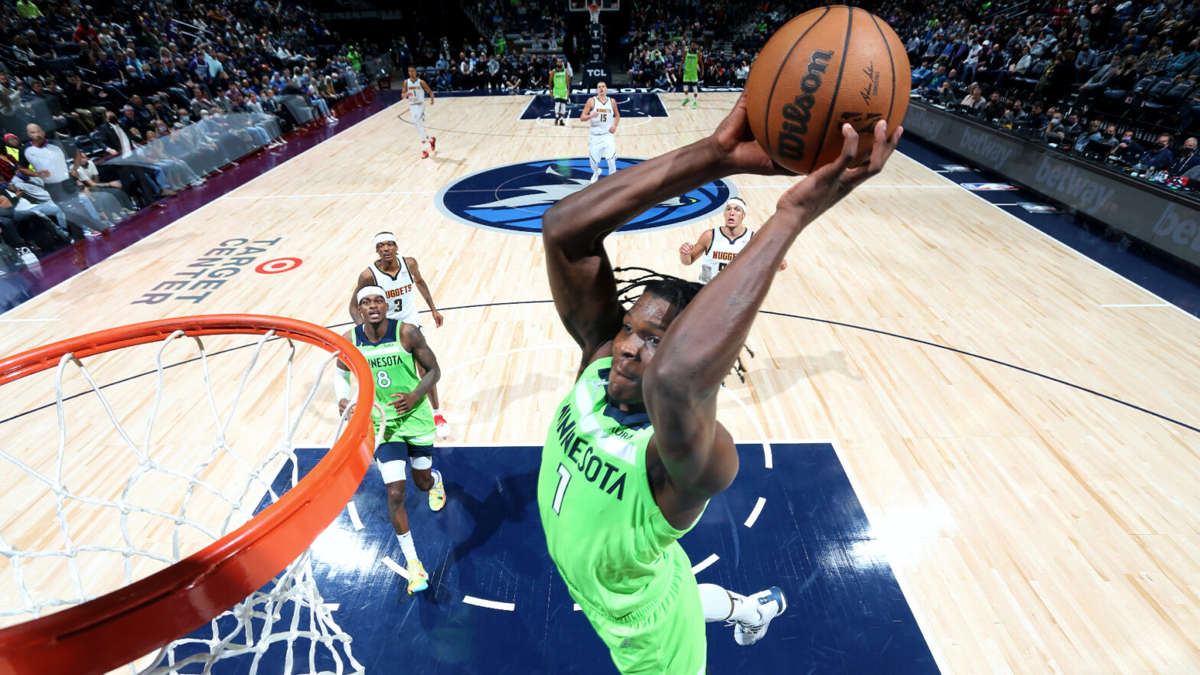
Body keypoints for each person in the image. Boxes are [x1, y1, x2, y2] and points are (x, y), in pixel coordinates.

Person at [537, 94, 901, 673]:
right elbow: (563, 231)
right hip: (632, 579)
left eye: (653, 341)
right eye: (630, 329)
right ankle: (748, 608)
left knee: (672, 594)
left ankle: (745, 610)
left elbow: (677, 381)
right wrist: (715, 155)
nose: (627, 347)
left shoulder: (686, 459)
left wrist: (792, 215)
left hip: (649, 638)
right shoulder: (601, 362)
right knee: (673, 579)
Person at [336, 286, 447, 594]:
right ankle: (414, 565)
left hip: (416, 418)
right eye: (366, 302)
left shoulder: (407, 333)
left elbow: (434, 371)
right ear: (359, 310)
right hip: (383, 423)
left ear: (386, 306)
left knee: (421, 482)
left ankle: (435, 480)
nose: (372, 306)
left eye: (377, 301)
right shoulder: (350, 340)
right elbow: (340, 372)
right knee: (395, 492)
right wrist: (342, 398)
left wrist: (415, 395)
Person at [349, 232, 451, 439]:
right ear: (376, 250)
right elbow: (353, 307)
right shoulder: (368, 276)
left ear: (396, 246)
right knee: (387, 372)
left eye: (389, 244)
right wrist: (364, 330)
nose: (386, 249)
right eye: (381, 246)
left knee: (425, 368)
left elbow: (420, 282)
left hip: (409, 324)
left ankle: (437, 415)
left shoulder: (409, 264)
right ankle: (382, 414)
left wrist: (433, 309)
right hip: (385, 328)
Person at [580, 81, 619, 184]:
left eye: (603, 87)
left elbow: (617, 116)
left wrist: (614, 125)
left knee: (611, 159)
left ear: (606, 89)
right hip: (595, 136)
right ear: (597, 89)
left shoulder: (612, 101)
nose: (601, 89)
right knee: (594, 161)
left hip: (607, 135)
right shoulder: (591, 101)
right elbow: (582, 117)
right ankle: (596, 172)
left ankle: (613, 179)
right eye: (599, 87)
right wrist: (590, 116)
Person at [402, 66, 437, 159]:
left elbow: (430, 91)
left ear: (415, 72)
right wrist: (407, 94)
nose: (411, 73)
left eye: (413, 71)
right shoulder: (406, 82)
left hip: (420, 105)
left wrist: (432, 99)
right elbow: (402, 95)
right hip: (412, 106)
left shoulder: (421, 82)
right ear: (408, 72)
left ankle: (425, 151)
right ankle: (431, 140)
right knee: (419, 127)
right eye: (410, 71)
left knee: (419, 126)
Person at [681, 42, 702, 108]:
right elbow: (682, 61)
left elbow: (701, 62)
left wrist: (702, 71)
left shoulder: (697, 53)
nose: (693, 46)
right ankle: (687, 98)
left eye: (694, 45)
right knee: (685, 88)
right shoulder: (686, 51)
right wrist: (680, 69)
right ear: (690, 45)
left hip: (694, 73)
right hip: (686, 72)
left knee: (694, 88)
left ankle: (695, 102)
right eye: (692, 45)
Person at [551, 59, 570, 126]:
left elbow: (567, 81)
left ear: (562, 63)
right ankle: (556, 117)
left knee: (563, 106)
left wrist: (568, 89)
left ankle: (561, 120)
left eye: (560, 62)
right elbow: (550, 81)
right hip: (556, 90)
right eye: (558, 62)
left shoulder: (565, 71)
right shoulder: (553, 71)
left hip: (563, 90)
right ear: (556, 63)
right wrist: (550, 91)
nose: (559, 63)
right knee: (557, 104)